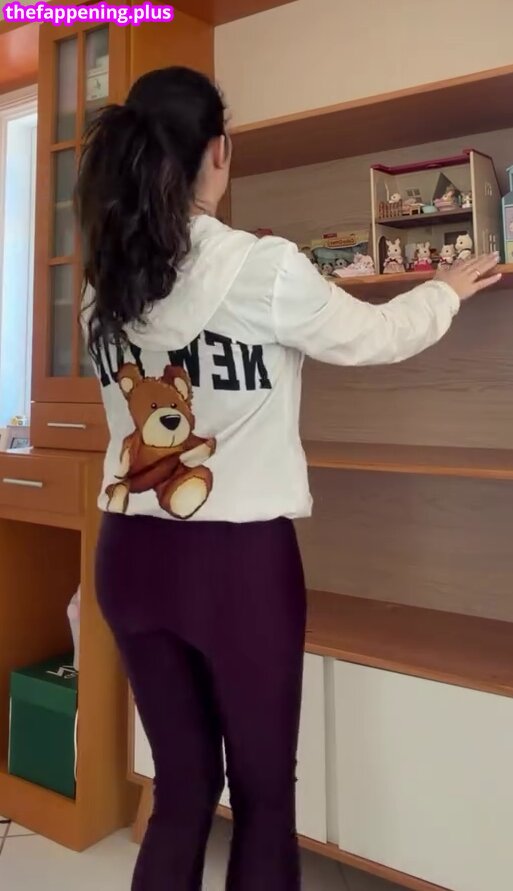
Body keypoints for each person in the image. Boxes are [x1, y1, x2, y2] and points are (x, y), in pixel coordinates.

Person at [75, 66, 501, 891]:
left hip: (128, 554)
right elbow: (375, 337)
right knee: (263, 800)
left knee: (180, 790)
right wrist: (442, 289)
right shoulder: (261, 267)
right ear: (219, 152)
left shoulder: (106, 283)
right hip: (234, 565)